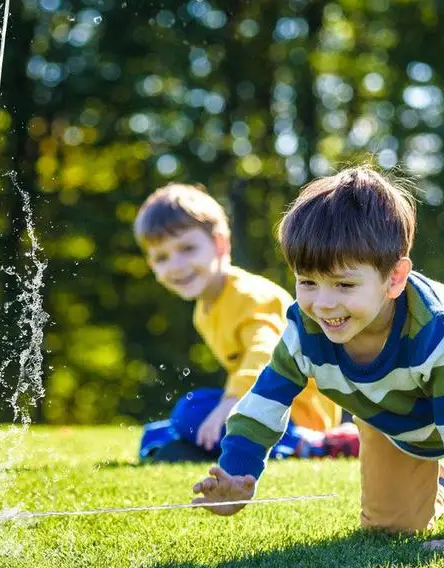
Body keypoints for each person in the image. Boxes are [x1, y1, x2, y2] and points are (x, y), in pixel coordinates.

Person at [192, 166, 444, 536]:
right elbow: (264, 401)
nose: (324, 304)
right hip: (392, 424)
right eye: (307, 282)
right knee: (391, 530)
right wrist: (236, 472)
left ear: (394, 278)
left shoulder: (433, 332)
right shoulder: (305, 330)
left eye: (344, 284)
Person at [134, 182, 353, 463]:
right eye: (162, 257)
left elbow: (265, 355)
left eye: (187, 248)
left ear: (219, 244)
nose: (176, 265)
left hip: (296, 411)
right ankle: (203, 445)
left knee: (190, 411)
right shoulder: (204, 310)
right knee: (158, 432)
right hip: (259, 405)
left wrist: (228, 404)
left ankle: (313, 445)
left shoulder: (251, 295)